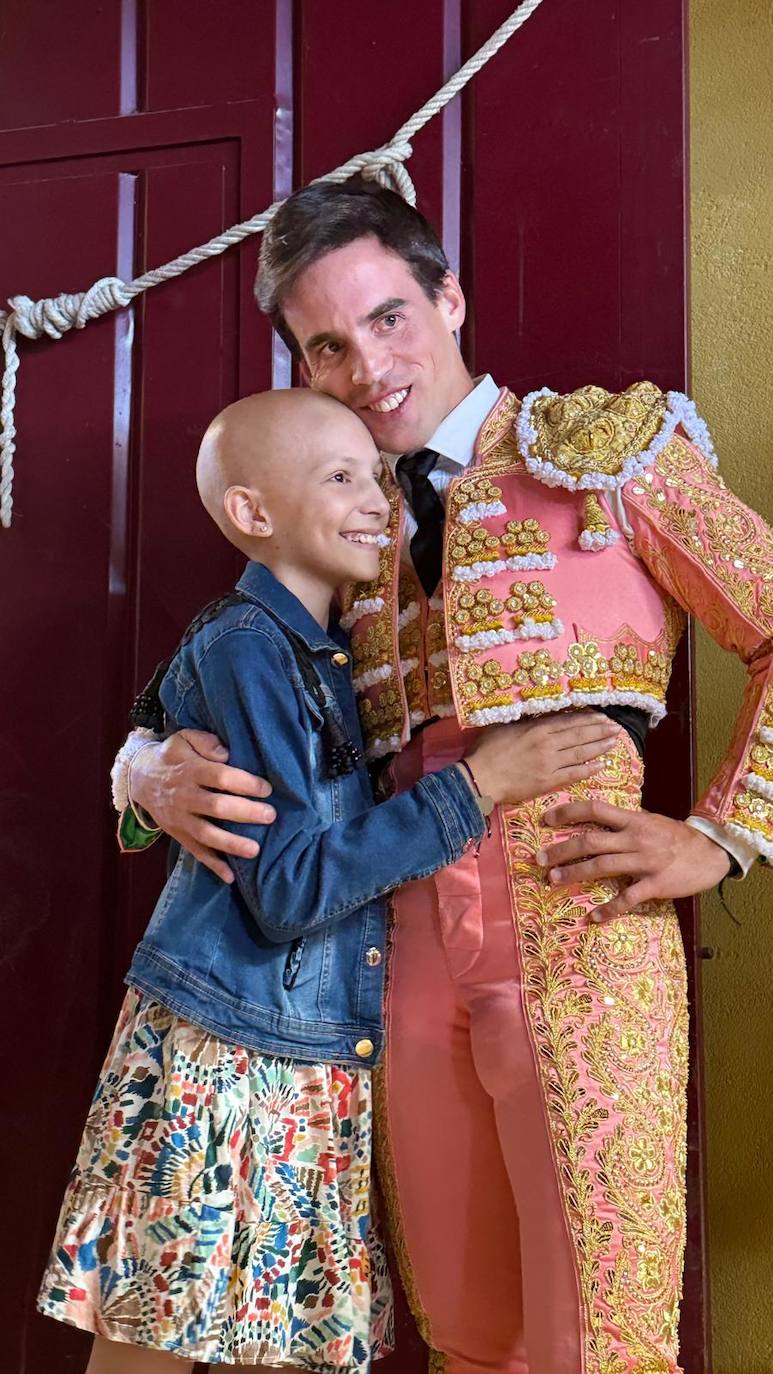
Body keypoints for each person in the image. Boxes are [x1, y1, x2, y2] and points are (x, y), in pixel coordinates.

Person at [114, 178, 773, 1374]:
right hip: (390, 955)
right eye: (325, 344)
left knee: (599, 1343)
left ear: (449, 297)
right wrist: (142, 764)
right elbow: (199, 675)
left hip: (583, 935)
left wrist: (721, 836)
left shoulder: (606, 453)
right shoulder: (331, 506)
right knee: (458, 1332)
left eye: (384, 319)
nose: (364, 368)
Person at [39, 388, 620, 1374]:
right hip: (222, 1052)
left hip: (312, 1059)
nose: (374, 501)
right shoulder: (246, 643)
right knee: (150, 1344)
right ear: (253, 514)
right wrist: (483, 784)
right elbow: (292, 885)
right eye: (340, 478)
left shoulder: (338, 644)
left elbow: (158, 724)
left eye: (378, 476)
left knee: (288, 1347)